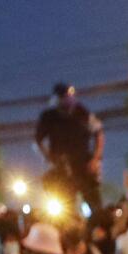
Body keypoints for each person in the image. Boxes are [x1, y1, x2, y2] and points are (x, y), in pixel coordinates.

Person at [37, 81, 104, 212]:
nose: (68, 100)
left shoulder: (83, 113)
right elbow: (38, 140)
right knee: (63, 208)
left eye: (69, 96)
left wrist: (96, 158)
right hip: (62, 168)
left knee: (96, 205)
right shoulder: (48, 117)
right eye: (64, 97)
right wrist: (49, 157)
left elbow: (99, 133)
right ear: (56, 99)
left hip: (84, 165)